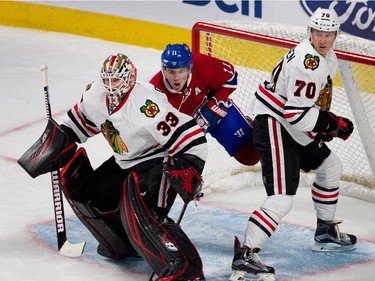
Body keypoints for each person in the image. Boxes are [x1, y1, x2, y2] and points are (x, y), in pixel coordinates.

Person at [20, 53, 208, 281]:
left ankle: (184, 268)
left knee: (146, 213)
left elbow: (191, 136)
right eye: (106, 80)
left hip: (157, 161)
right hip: (126, 161)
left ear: (129, 79)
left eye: (116, 80)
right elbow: (78, 125)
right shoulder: (94, 95)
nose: (110, 86)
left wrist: (190, 168)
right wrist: (56, 143)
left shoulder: (147, 104)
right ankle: (124, 243)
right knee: (89, 195)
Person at [229, 8, 356, 281]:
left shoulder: (325, 57)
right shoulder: (307, 62)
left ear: (335, 35)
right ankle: (245, 256)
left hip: (289, 121)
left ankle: (324, 231)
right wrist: (329, 124)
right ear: (309, 33)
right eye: (318, 33)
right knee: (282, 198)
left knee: (330, 166)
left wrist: (324, 124)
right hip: (274, 123)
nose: (323, 39)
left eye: (328, 34)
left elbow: (299, 111)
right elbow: (295, 115)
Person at [149, 43, 259, 166]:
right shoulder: (154, 92)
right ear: (164, 71)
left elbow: (231, 77)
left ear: (189, 68)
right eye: (171, 72)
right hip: (182, 130)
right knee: (174, 170)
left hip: (212, 112)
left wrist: (214, 105)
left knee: (250, 156)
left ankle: (253, 125)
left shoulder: (202, 64)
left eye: (181, 71)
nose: (176, 78)